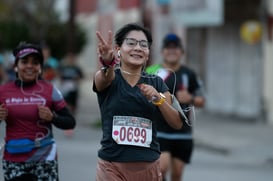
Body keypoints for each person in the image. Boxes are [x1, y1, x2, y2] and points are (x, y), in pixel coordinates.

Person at [93, 23, 184, 181]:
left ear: (148, 54)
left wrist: (158, 99)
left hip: (148, 168)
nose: (138, 48)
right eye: (131, 43)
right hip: (111, 166)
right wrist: (107, 62)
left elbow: (177, 123)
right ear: (118, 49)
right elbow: (103, 78)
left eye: (144, 45)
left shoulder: (157, 83)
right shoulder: (110, 78)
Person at [0, 42, 76, 181]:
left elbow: (70, 122)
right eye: (24, 62)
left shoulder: (50, 90)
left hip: (45, 158)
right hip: (14, 159)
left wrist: (52, 117)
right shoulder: (3, 91)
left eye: (35, 62)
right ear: (16, 66)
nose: (30, 66)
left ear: (40, 67)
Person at [146, 33, 205, 181]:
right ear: (162, 51)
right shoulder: (152, 71)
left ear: (182, 52)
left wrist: (190, 98)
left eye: (175, 48)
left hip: (183, 132)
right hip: (159, 131)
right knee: (161, 168)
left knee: (177, 174)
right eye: (168, 47)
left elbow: (202, 100)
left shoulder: (189, 74)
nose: (172, 51)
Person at [59, 53, 84, 137]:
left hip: (74, 89)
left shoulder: (77, 68)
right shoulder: (64, 68)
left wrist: (77, 79)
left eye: (72, 59)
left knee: (73, 108)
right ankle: (68, 127)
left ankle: (71, 122)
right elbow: (60, 76)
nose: (70, 60)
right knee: (67, 107)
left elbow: (82, 76)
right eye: (69, 59)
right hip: (66, 89)